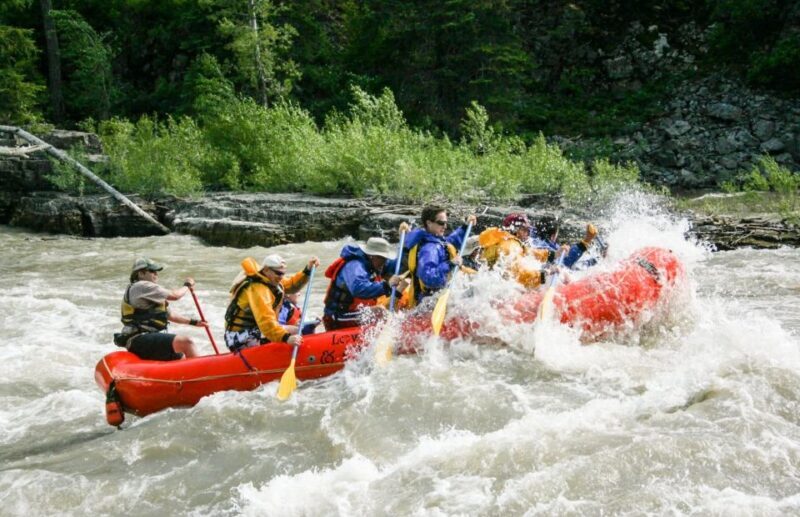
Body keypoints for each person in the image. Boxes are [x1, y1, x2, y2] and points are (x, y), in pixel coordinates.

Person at [224, 253, 320, 352]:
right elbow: (266, 322)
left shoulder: (269, 278)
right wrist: (286, 338)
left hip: (257, 329)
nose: (281, 277)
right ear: (266, 270)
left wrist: (307, 270)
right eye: (278, 273)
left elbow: (291, 285)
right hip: (239, 336)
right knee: (294, 333)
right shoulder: (258, 290)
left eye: (283, 273)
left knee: (301, 330)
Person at [115, 257, 206, 361]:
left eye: (156, 272)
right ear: (141, 273)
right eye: (152, 271)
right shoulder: (141, 286)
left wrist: (194, 322)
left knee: (182, 357)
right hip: (139, 339)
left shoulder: (149, 294)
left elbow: (170, 316)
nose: (156, 274)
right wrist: (187, 285)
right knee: (187, 342)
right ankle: (204, 375)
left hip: (147, 339)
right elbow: (175, 296)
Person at [322, 237, 410, 330]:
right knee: (380, 312)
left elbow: (398, 267)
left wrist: (406, 246)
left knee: (400, 302)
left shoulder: (375, 263)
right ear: (372, 255)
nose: (385, 262)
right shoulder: (354, 265)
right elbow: (359, 289)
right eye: (383, 258)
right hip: (338, 317)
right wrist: (386, 285)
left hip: (355, 313)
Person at [404, 205, 477, 307]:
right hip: (430, 302)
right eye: (441, 223)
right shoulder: (429, 249)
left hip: (437, 295)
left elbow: (451, 241)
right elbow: (429, 278)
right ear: (429, 223)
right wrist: (450, 264)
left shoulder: (435, 239)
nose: (445, 226)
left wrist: (465, 227)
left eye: (446, 223)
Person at [478, 213, 558, 289]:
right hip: (495, 289)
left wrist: (553, 254)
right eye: (526, 229)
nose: (528, 233)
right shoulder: (510, 246)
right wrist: (546, 273)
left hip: (490, 281)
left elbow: (528, 252)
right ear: (516, 230)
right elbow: (521, 277)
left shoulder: (506, 239)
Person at [529, 215, 598, 269]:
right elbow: (566, 262)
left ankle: (595, 260)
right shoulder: (548, 248)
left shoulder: (532, 238)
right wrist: (587, 240)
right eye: (556, 234)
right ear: (553, 236)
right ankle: (597, 260)